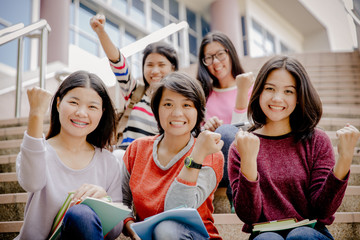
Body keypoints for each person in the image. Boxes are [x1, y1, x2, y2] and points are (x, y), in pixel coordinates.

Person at [228, 55, 360, 240]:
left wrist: (345, 160)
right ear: (258, 92)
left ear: (299, 97)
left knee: (300, 236)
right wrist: (249, 162)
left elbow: (322, 210)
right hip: (264, 235)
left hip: (311, 233)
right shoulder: (241, 145)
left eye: (288, 91)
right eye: (269, 89)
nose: (277, 98)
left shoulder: (317, 140)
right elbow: (249, 216)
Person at [15, 71, 124, 240]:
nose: (81, 112)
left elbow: (116, 231)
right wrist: (35, 114)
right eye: (74, 102)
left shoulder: (108, 161)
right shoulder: (37, 150)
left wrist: (104, 199)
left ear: (102, 112)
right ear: (58, 103)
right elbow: (32, 182)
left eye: (92, 107)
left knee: (82, 215)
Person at [121, 72, 224, 240]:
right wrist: (131, 227)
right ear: (157, 110)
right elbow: (122, 203)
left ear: (198, 111)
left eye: (187, 105)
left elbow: (176, 209)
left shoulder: (210, 153)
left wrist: (197, 155)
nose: (177, 113)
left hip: (192, 236)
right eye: (168, 104)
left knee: (166, 229)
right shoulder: (137, 149)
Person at [90, 14, 179, 159]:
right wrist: (101, 32)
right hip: (126, 158)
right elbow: (117, 62)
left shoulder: (179, 102)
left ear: (173, 68)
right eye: (149, 65)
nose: (155, 71)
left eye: (161, 65)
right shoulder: (135, 91)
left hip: (156, 162)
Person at [197, 31, 254, 208]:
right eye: (209, 57)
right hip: (214, 162)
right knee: (223, 132)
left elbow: (248, 130)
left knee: (228, 132)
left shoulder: (250, 88)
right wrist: (206, 129)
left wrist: (242, 92)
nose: (215, 62)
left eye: (220, 54)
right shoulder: (202, 94)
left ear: (230, 53)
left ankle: (236, 199)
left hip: (245, 160)